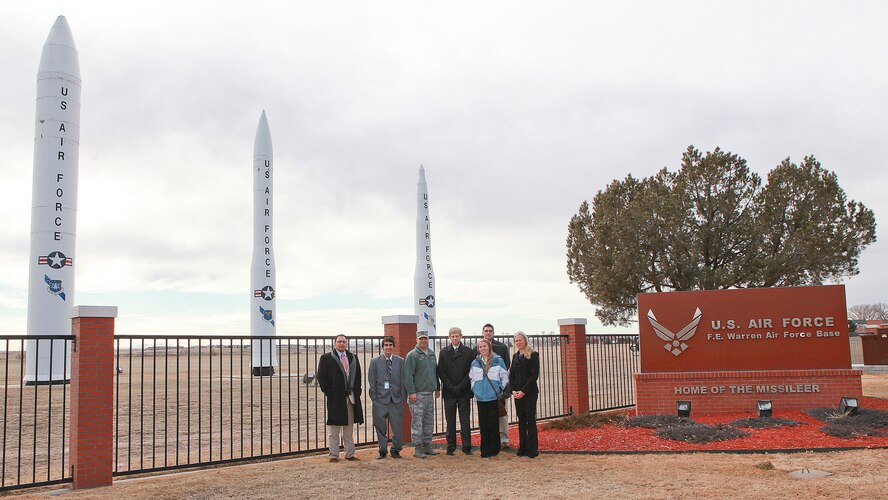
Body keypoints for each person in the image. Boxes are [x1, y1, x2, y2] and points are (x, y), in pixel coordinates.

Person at [316, 334, 363, 462]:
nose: (342, 344)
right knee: (334, 430)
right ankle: (333, 455)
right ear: (334, 343)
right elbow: (321, 377)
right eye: (339, 341)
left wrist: (357, 391)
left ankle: (350, 454)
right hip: (335, 399)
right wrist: (328, 393)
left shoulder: (353, 357)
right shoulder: (326, 358)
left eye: (344, 341)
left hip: (351, 398)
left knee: (348, 430)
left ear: (346, 343)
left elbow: (358, 376)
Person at [437, 326, 474, 455]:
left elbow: (471, 372)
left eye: (457, 336)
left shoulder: (468, 352)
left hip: (463, 392)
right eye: (452, 336)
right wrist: (451, 386)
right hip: (449, 392)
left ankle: (467, 447)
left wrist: (460, 386)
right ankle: (451, 447)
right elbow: (441, 371)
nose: (455, 338)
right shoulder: (443, 352)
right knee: (450, 421)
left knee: (465, 421)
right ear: (449, 337)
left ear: (461, 336)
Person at [469, 338, 509, 458]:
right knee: (484, 425)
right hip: (481, 398)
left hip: (492, 397)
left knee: (493, 424)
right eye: (480, 347)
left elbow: (504, 376)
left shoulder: (498, 361)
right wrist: (474, 389)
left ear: (489, 347)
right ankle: (484, 450)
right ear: (478, 349)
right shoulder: (475, 362)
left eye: (484, 346)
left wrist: (499, 388)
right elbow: (471, 377)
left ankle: (494, 449)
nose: (482, 349)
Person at [474, 323, 511, 449]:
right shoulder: (477, 348)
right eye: (486, 331)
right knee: (487, 417)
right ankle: (490, 441)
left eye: (490, 331)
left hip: (499, 390)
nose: (488, 333)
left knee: (502, 414)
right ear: (483, 332)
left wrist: (500, 387)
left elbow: (506, 368)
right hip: (484, 392)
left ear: (493, 332)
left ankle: (504, 439)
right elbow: (473, 371)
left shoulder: (502, 347)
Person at [404, 330, 440, 458]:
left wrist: (437, 388)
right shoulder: (412, 355)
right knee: (417, 422)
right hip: (417, 395)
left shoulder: (431, 354)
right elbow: (408, 376)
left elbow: (435, 372)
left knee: (429, 421)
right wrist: (411, 392)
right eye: (421, 338)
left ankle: (427, 445)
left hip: (429, 394)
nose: (424, 340)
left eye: (425, 338)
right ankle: (418, 448)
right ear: (417, 340)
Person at [368, 336, 404, 459]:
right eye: (386, 345)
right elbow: (371, 381)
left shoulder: (400, 361)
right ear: (382, 347)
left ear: (393, 346)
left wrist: (402, 397)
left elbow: (403, 380)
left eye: (390, 345)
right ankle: (382, 450)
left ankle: (396, 450)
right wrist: (374, 398)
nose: (388, 347)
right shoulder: (375, 362)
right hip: (380, 400)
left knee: (397, 426)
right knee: (380, 426)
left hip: (395, 400)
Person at [509, 331, 540, 458]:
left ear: (525, 340)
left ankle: (532, 449)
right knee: (521, 420)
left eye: (520, 340)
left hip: (529, 393)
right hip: (517, 394)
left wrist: (523, 391)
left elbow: (534, 376)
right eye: (516, 341)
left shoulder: (533, 355)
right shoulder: (515, 356)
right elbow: (511, 376)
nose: (518, 342)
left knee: (530, 420)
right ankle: (522, 447)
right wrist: (514, 390)